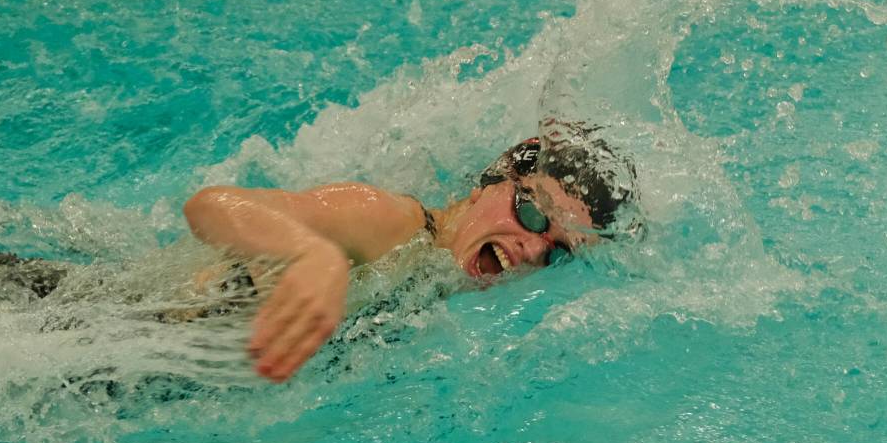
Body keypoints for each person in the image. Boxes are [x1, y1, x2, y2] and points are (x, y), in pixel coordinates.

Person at [184, 134, 636, 383]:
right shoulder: (392, 223)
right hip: (141, 328)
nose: (535, 247)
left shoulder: (436, 297)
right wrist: (311, 255)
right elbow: (211, 205)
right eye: (534, 214)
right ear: (492, 183)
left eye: (558, 253)